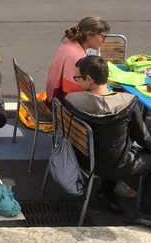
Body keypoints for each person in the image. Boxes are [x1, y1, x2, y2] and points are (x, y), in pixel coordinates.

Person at [64, 55, 151, 217]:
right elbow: (144, 139)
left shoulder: (72, 100)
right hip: (116, 164)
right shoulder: (129, 103)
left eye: (78, 78)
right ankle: (147, 210)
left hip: (81, 159)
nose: (76, 81)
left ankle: (106, 189)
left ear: (89, 79)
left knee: (112, 144)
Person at [45, 16, 110, 110]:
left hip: (54, 100)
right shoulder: (77, 58)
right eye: (103, 36)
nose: (105, 41)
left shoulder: (69, 44)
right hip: (62, 110)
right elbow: (75, 91)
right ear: (89, 35)